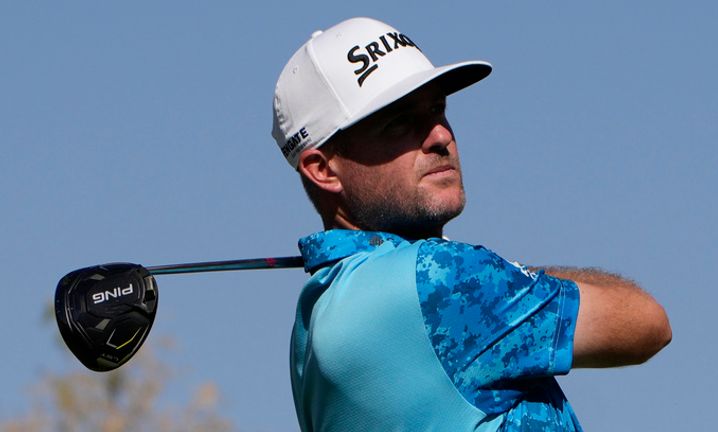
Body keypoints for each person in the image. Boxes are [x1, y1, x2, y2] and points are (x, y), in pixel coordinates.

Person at [271, 17, 672, 431]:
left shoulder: (311, 324)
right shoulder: (445, 280)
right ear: (323, 170)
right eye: (399, 124)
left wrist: (509, 283)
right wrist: (514, 279)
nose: (440, 136)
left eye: (437, 110)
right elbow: (646, 324)